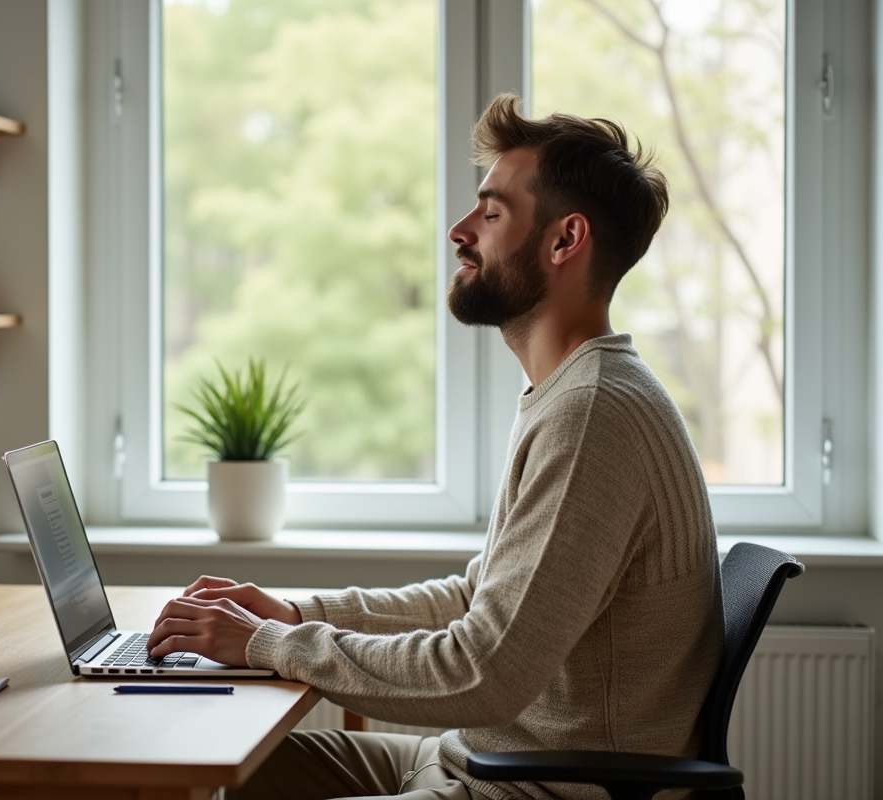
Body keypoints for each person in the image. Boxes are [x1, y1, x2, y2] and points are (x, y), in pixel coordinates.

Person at [147, 93, 724, 800]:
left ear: (564, 240)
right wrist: (295, 616)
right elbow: (474, 599)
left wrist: (269, 647)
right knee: (219, 770)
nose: (458, 231)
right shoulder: (574, 394)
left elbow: (482, 671)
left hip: (528, 790)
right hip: (474, 764)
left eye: (490, 213)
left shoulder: (593, 416)